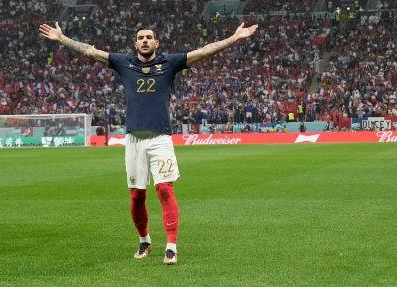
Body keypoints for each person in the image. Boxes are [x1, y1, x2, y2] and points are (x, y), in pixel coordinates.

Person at [38, 21, 258, 265]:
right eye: (140, 37)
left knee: (165, 189)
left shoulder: (169, 63)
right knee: (136, 197)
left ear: (156, 43)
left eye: (148, 37)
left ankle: (171, 247)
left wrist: (233, 38)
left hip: (160, 137)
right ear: (135, 44)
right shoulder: (124, 63)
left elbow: (204, 50)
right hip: (133, 139)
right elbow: (91, 51)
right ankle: (144, 240)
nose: (144, 40)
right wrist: (62, 38)